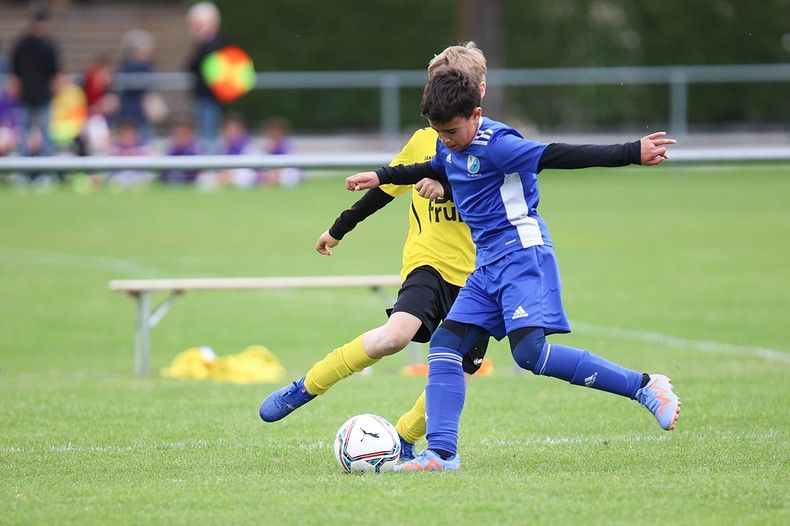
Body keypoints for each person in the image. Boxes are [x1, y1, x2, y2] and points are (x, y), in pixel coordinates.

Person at [344, 69, 681, 471]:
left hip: (522, 255)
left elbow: (559, 154)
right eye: (439, 132)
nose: (446, 139)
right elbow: (434, 164)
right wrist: (381, 175)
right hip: (488, 262)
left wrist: (630, 151)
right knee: (445, 345)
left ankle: (645, 386)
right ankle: (442, 454)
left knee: (530, 354)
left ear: (476, 113)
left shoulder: (500, 145)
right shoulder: (449, 143)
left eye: (451, 130)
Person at [259, 44, 490, 463]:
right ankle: (307, 385)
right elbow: (386, 187)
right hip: (429, 264)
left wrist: (449, 187)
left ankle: (404, 437)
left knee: (456, 372)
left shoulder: (498, 143)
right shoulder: (425, 141)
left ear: (478, 92)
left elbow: (502, 190)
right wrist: (339, 227)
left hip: (481, 276)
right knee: (394, 336)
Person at [10, 11, 61, 158]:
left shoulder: (49, 46)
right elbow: (16, 72)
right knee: (24, 132)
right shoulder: (22, 45)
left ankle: (46, 167)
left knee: (46, 132)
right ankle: (23, 167)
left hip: (43, 95)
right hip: (27, 95)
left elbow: (54, 73)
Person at [185, 1, 225, 146]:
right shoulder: (204, 45)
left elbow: (199, 66)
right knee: (204, 132)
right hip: (203, 95)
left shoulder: (215, 44)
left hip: (210, 95)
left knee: (209, 132)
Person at [116, 30, 156, 142]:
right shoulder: (127, 65)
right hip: (129, 109)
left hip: (142, 110)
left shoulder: (148, 64)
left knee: (145, 138)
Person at [160, 117, 202, 185]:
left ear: (190, 135)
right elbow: (162, 175)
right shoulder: (168, 151)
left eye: (184, 134)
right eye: (178, 135)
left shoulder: (197, 151)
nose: (181, 138)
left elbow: (199, 176)